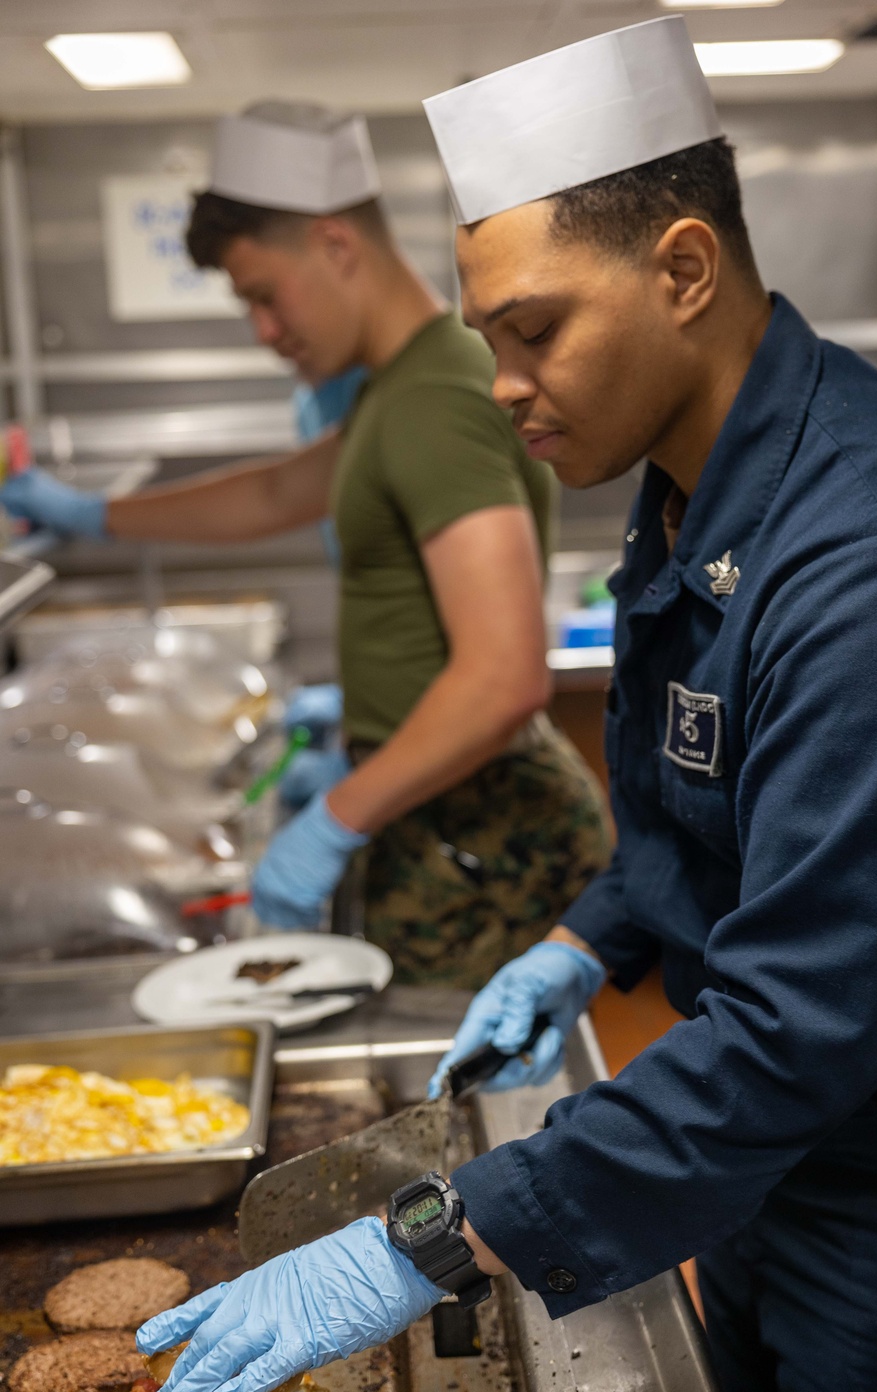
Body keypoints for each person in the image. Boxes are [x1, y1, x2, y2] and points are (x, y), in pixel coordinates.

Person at [135, 18, 877, 1392]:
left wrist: (414, 1246)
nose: (505, 382)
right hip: (761, 1168)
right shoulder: (689, 493)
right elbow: (696, 807)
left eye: (536, 330)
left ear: (682, 271)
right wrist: (582, 944)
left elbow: (799, 1028)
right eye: (489, 341)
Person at [0, 101, 612, 988]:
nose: (262, 330)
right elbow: (282, 490)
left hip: (480, 835)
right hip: (436, 809)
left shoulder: (433, 397)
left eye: (263, 295)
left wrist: (334, 816)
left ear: (334, 247)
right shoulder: (400, 387)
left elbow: (506, 673)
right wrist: (96, 516)